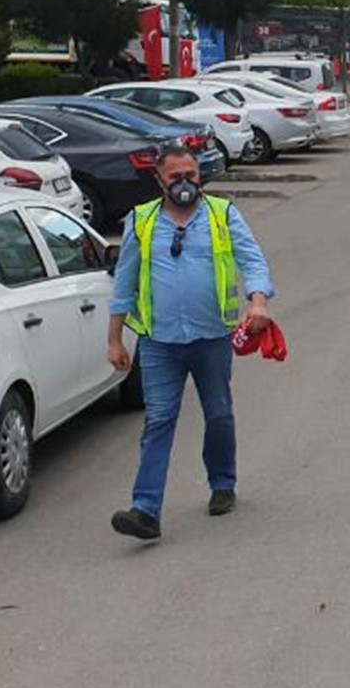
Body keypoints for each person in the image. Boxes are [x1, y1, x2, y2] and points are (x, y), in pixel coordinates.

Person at [106, 145, 276, 539]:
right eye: (175, 177)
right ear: (159, 181)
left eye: (191, 175)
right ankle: (145, 510)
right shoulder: (142, 221)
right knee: (159, 420)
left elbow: (252, 260)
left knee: (217, 413)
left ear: (200, 175)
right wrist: (115, 340)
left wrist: (259, 300)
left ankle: (222, 483)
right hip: (159, 342)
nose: (185, 184)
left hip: (211, 338)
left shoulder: (222, 214)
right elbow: (124, 283)